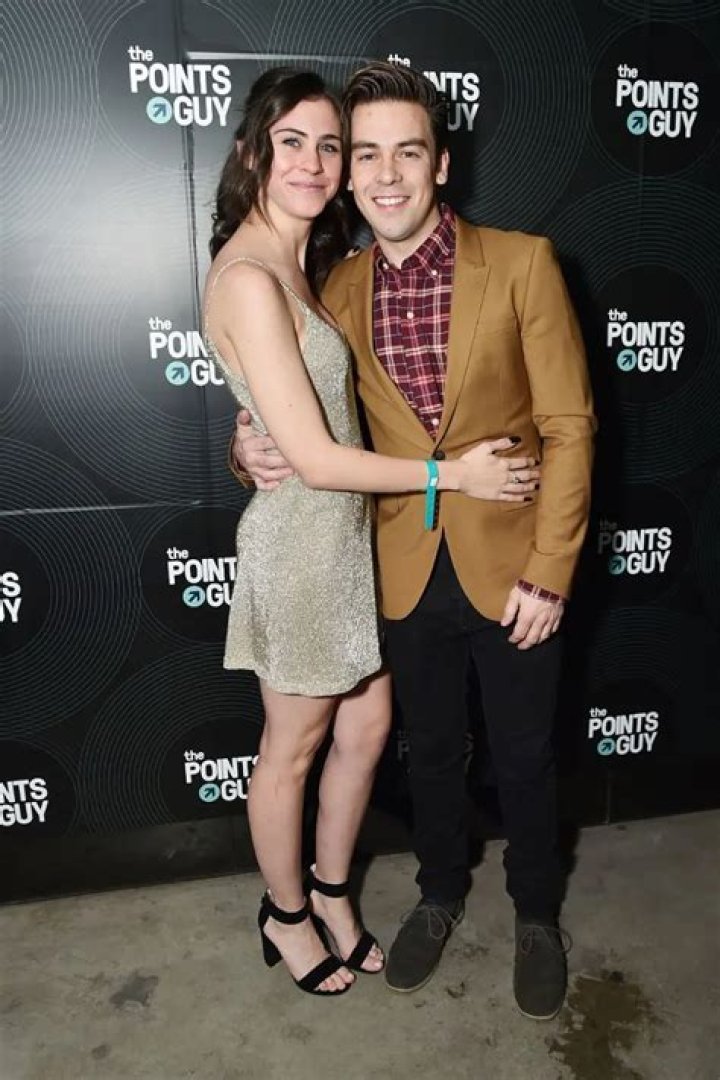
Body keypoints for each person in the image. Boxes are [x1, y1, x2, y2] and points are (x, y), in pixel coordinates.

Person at [232, 61, 596, 1019]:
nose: (385, 175)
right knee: (428, 751)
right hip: (395, 565)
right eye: (365, 155)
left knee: (525, 755)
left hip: (514, 565)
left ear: (440, 164)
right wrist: (247, 447)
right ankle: (439, 895)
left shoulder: (523, 262)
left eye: (407, 152)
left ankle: (536, 915)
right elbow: (303, 418)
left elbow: (569, 426)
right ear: (347, 174)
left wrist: (552, 571)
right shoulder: (333, 288)